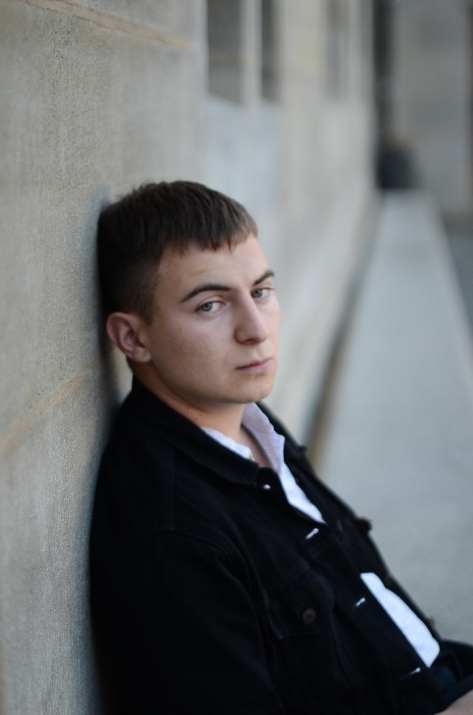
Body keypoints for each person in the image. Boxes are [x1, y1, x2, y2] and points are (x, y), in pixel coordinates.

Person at [90, 181, 473, 715]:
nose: (255, 330)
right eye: (210, 305)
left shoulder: (245, 419)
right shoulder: (172, 533)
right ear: (133, 338)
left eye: (261, 291)